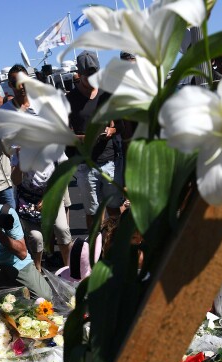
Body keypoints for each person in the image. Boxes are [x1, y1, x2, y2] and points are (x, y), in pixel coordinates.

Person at [67, 51, 123, 231]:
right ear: (79, 74)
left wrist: (111, 130)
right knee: (92, 212)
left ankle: (118, 243)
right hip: (85, 165)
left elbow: (118, 124)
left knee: (114, 208)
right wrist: (85, 138)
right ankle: (95, 249)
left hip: (108, 161)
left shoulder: (106, 94)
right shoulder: (70, 100)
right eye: (88, 74)